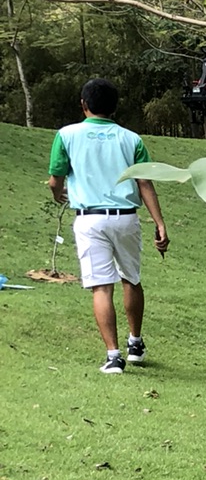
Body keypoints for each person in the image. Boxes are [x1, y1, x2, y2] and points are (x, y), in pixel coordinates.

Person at [46, 78, 169, 373]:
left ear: (84, 104)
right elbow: (144, 183)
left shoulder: (67, 135)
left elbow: (55, 179)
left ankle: (114, 356)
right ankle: (135, 342)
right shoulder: (131, 139)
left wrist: (58, 194)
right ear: (115, 108)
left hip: (90, 219)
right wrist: (159, 222)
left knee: (102, 286)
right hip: (126, 217)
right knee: (131, 278)